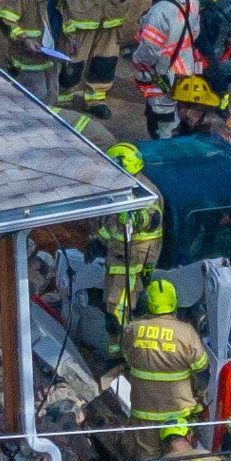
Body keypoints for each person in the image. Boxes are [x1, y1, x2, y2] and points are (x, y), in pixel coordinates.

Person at [121, 275, 210, 440]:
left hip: (144, 412)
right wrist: (200, 394)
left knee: (147, 457)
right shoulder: (186, 332)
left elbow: (126, 357)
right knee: (178, 456)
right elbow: (202, 369)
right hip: (178, 414)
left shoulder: (132, 330)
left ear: (149, 303)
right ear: (174, 302)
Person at [132, 0, 210, 140]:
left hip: (164, 74)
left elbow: (150, 50)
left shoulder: (158, 13)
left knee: (162, 122)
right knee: (182, 114)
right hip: (188, 69)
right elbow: (195, 32)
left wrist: (137, 61)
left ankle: (169, 156)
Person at [95, 143, 162, 336]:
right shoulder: (126, 186)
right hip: (119, 255)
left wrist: (135, 217)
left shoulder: (144, 192)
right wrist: (98, 242)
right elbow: (111, 225)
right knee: (114, 304)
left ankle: (122, 348)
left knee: (117, 310)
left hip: (132, 258)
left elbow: (153, 219)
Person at [0, 0, 74, 102]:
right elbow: (6, 21)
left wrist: (70, 38)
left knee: (52, 96)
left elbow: (60, 12)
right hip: (30, 61)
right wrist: (25, 39)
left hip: (50, 54)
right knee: (34, 103)